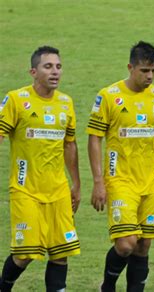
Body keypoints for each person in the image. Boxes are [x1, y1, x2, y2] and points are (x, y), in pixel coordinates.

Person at [87, 41, 154, 292]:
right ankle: (107, 286)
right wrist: (98, 182)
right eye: (144, 71)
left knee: (143, 246)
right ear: (130, 67)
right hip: (120, 181)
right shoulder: (109, 96)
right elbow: (94, 139)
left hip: (151, 181)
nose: (150, 76)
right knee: (126, 243)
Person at [0, 46, 81, 291]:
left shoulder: (66, 102)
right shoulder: (16, 99)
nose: (55, 71)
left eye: (58, 66)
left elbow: (70, 145)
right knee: (24, 255)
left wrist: (76, 184)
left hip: (58, 192)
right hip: (26, 190)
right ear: (33, 72)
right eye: (48, 67)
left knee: (60, 253)